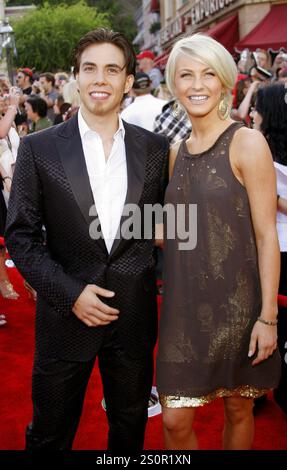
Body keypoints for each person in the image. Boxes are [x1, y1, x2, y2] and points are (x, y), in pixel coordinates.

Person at [5, 28, 168, 451]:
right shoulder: (38, 148)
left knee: (129, 430)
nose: (100, 78)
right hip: (64, 317)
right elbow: (21, 235)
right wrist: (70, 293)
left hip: (133, 318)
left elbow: (153, 224)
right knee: (49, 434)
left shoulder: (155, 149)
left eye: (112, 69)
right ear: (76, 77)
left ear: (128, 81)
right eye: (90, 68)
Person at [156, 33, 281, 450]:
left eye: (208, 74)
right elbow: (184, 226)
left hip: (239, 305)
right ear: (173, 83)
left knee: (238, 409)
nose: (196, 84)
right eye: (186, 75)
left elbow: (266, 237)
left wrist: (267, 318)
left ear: (225, 82)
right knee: (174, 421)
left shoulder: (247, 142)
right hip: (184, 307)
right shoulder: (176, 151)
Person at [251, 84, 287, 415]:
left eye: (257, 108)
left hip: (274, 247)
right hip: (267, 246)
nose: (252, 113)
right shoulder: (254, 146)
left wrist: (271, 198)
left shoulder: (261, 150)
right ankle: (259, 388)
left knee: (267, 317)